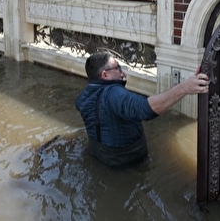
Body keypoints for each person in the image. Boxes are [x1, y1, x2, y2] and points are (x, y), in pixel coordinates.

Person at [75, 51, 209, 168]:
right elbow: (144, 108)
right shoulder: (114, 93)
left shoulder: (82, 97)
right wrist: (184, 88)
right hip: (125, 161)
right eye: (118, 68)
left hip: (97, 154)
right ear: (104, 75)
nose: (123, 72)